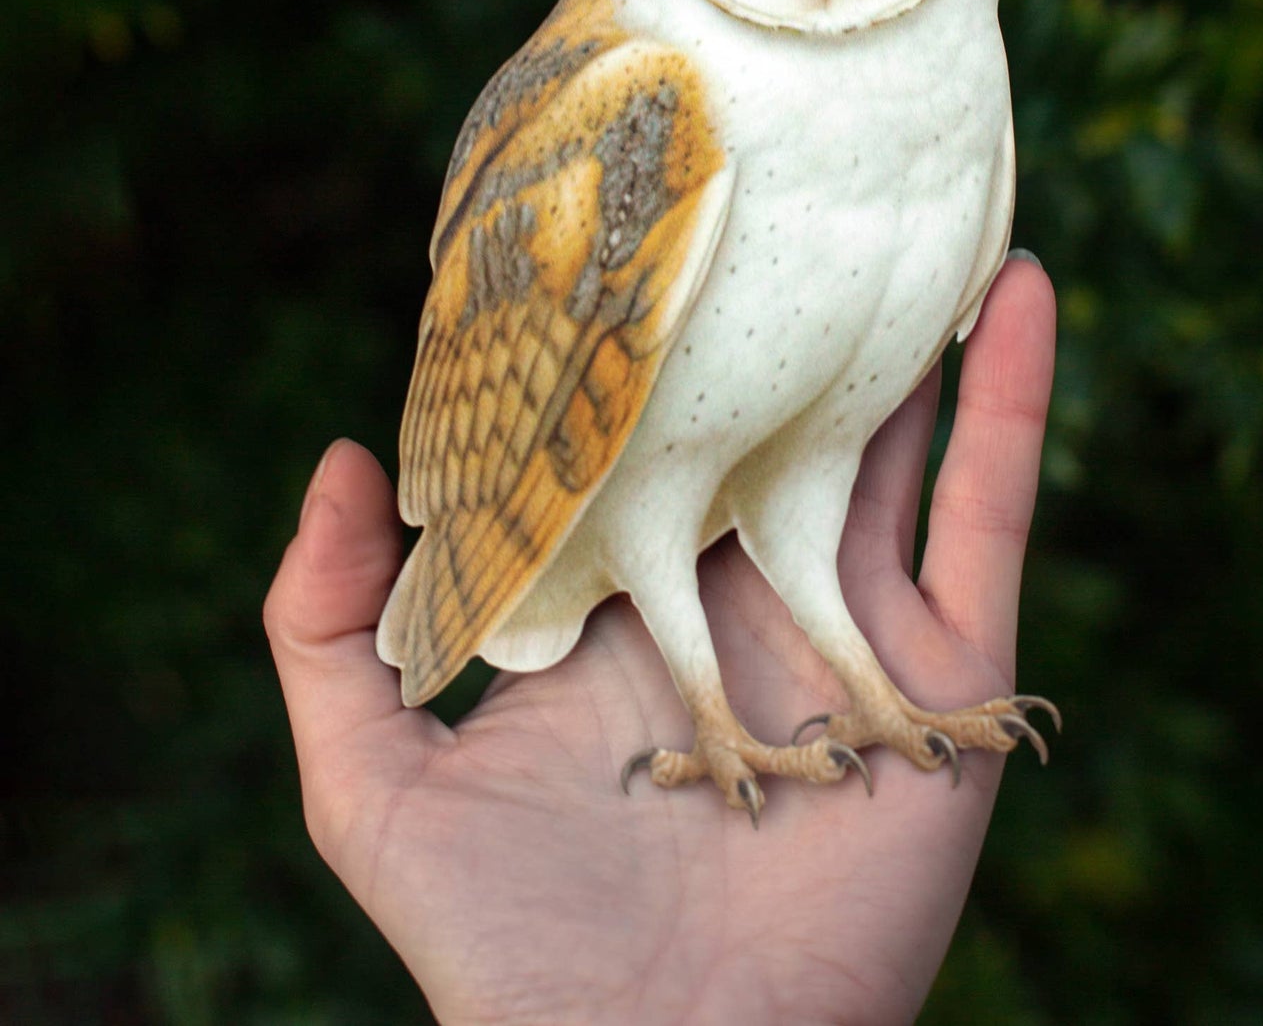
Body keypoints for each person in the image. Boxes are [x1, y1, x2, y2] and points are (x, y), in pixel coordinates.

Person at [265, 255, 1056, 1025]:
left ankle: (874, 699)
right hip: (607, 450)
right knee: (659, 516)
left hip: (771, 406)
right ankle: (718, 724)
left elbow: (796, 503)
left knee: (794, 508)